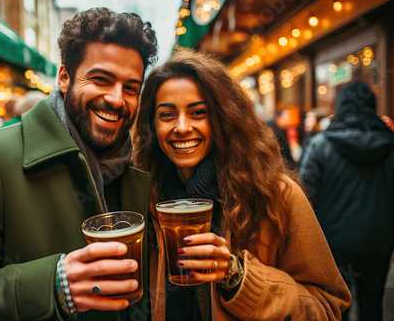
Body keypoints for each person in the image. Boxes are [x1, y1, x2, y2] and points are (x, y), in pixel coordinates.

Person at [0, 7, 158, 320]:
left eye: (130, 88)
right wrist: (53, 286)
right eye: (101, 79)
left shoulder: (140, 169)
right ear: (64, 77)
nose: (117, 99)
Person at [133, 49, 351, 320]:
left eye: (198, 112)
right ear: (152, 125)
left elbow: (327, 307)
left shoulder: (274, 193)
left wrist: (236, 275)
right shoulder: (144, 194)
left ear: (224, 117)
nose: (182, 127)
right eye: (167, 115)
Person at [299, 80, 394, 321]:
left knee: (335, 308)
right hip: (380, 242)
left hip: (333, 246)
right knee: (372, 305)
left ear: (339, 107)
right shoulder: (390, 145)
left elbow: (305, 198)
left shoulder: (319, 145)